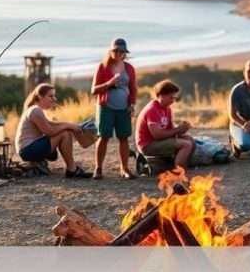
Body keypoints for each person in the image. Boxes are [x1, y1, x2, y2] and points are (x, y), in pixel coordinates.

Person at [16, 83, 91, 178]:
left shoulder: (35, 109)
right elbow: (49, 131)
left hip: (28, 149)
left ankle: (71, 168)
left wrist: (70, 125)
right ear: (40, 97)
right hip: (28, 150)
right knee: (65, 132)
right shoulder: (35, 111)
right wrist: (67, 126)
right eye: (51, 96)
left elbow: (51, 124)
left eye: (54, 96)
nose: (54, 99)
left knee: (66, 129)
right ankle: (72, 169)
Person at [90, 38, 138, 179]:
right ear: (110, 51)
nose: (118, 53)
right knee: (103, 137)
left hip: (124, 108)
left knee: (124, 138)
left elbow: (133, 89)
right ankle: (98, 169)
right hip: (106, 107)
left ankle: (124, 169)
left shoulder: (129, 68)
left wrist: (132, 104)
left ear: (125, 53)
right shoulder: (103, 66)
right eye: (115, 50)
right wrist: (109, 83)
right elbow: (94, 89)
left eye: (121, 51)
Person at [135, 80, 195, 171]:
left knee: (189, 139)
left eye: (174, 98)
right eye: (171, 98)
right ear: (161, 96)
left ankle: (181, 164)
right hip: (148, 145)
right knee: (186, 145)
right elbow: (157, 135)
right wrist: (178, 130)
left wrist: (181, 128)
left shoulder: (167, 108)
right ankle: (179, 171)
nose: (173, 101)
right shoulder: (152, 110)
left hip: (158, 141)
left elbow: (170, 129)